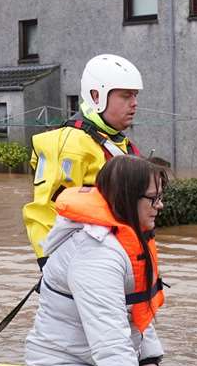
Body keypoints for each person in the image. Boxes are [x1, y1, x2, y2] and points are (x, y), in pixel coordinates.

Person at [23, 156, 171, 366]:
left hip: (91, 364)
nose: (160, 206)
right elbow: (110, 340)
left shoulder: (129, 239)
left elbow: (137, 308)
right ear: (129, 198)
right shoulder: (97, 257)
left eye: (161, 197)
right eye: (153, 199)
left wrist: (148, 360)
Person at [22, 54, 144, 263]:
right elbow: (46, 211)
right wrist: (49, 264)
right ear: (97, 97)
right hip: (87, 263)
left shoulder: (117, 142)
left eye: (135, 95)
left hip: (119, 257)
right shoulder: (71, 144)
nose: (134, 103)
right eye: (126, 96)